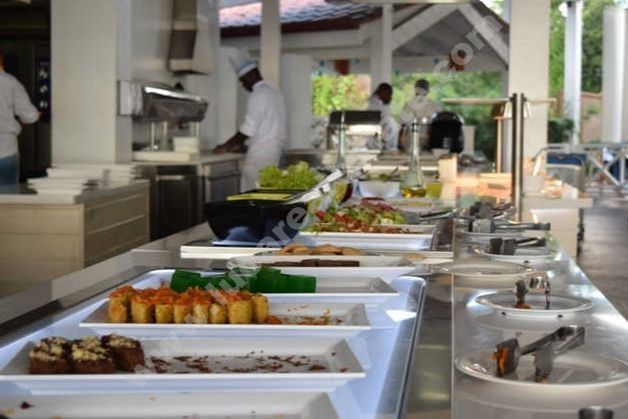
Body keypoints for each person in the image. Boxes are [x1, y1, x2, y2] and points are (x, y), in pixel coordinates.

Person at [213, 50, 287, 192]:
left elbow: (249, 128)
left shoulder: (258, 95)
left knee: (252, 195)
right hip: (274, 154)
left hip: (259, 158)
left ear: (250, 75)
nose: (243, 85)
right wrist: (241, 145)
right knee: (266, 194)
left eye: (243, 81)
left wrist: (227, 145)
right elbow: (267, 129)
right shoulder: (275, 92)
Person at [0, 49, 39, 186]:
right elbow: (30, 116)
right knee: (7, 196)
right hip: (6, 150)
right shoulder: (11, 82)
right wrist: (17, 124)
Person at [399, 79, 441, 151]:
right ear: (428, 91)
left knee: (411, 156)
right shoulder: (435, 106)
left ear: (415, 89)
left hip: (410, 139)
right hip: (428, 140)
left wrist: (399, 142)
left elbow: (402, 125)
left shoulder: (408, 105)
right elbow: (439, 124)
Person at [367, 83, 399, 151]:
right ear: (382, 93)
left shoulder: (382, 106)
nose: (390, 97)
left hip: (383, 145)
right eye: (389, 94)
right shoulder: (375, 107)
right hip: (378, 145)